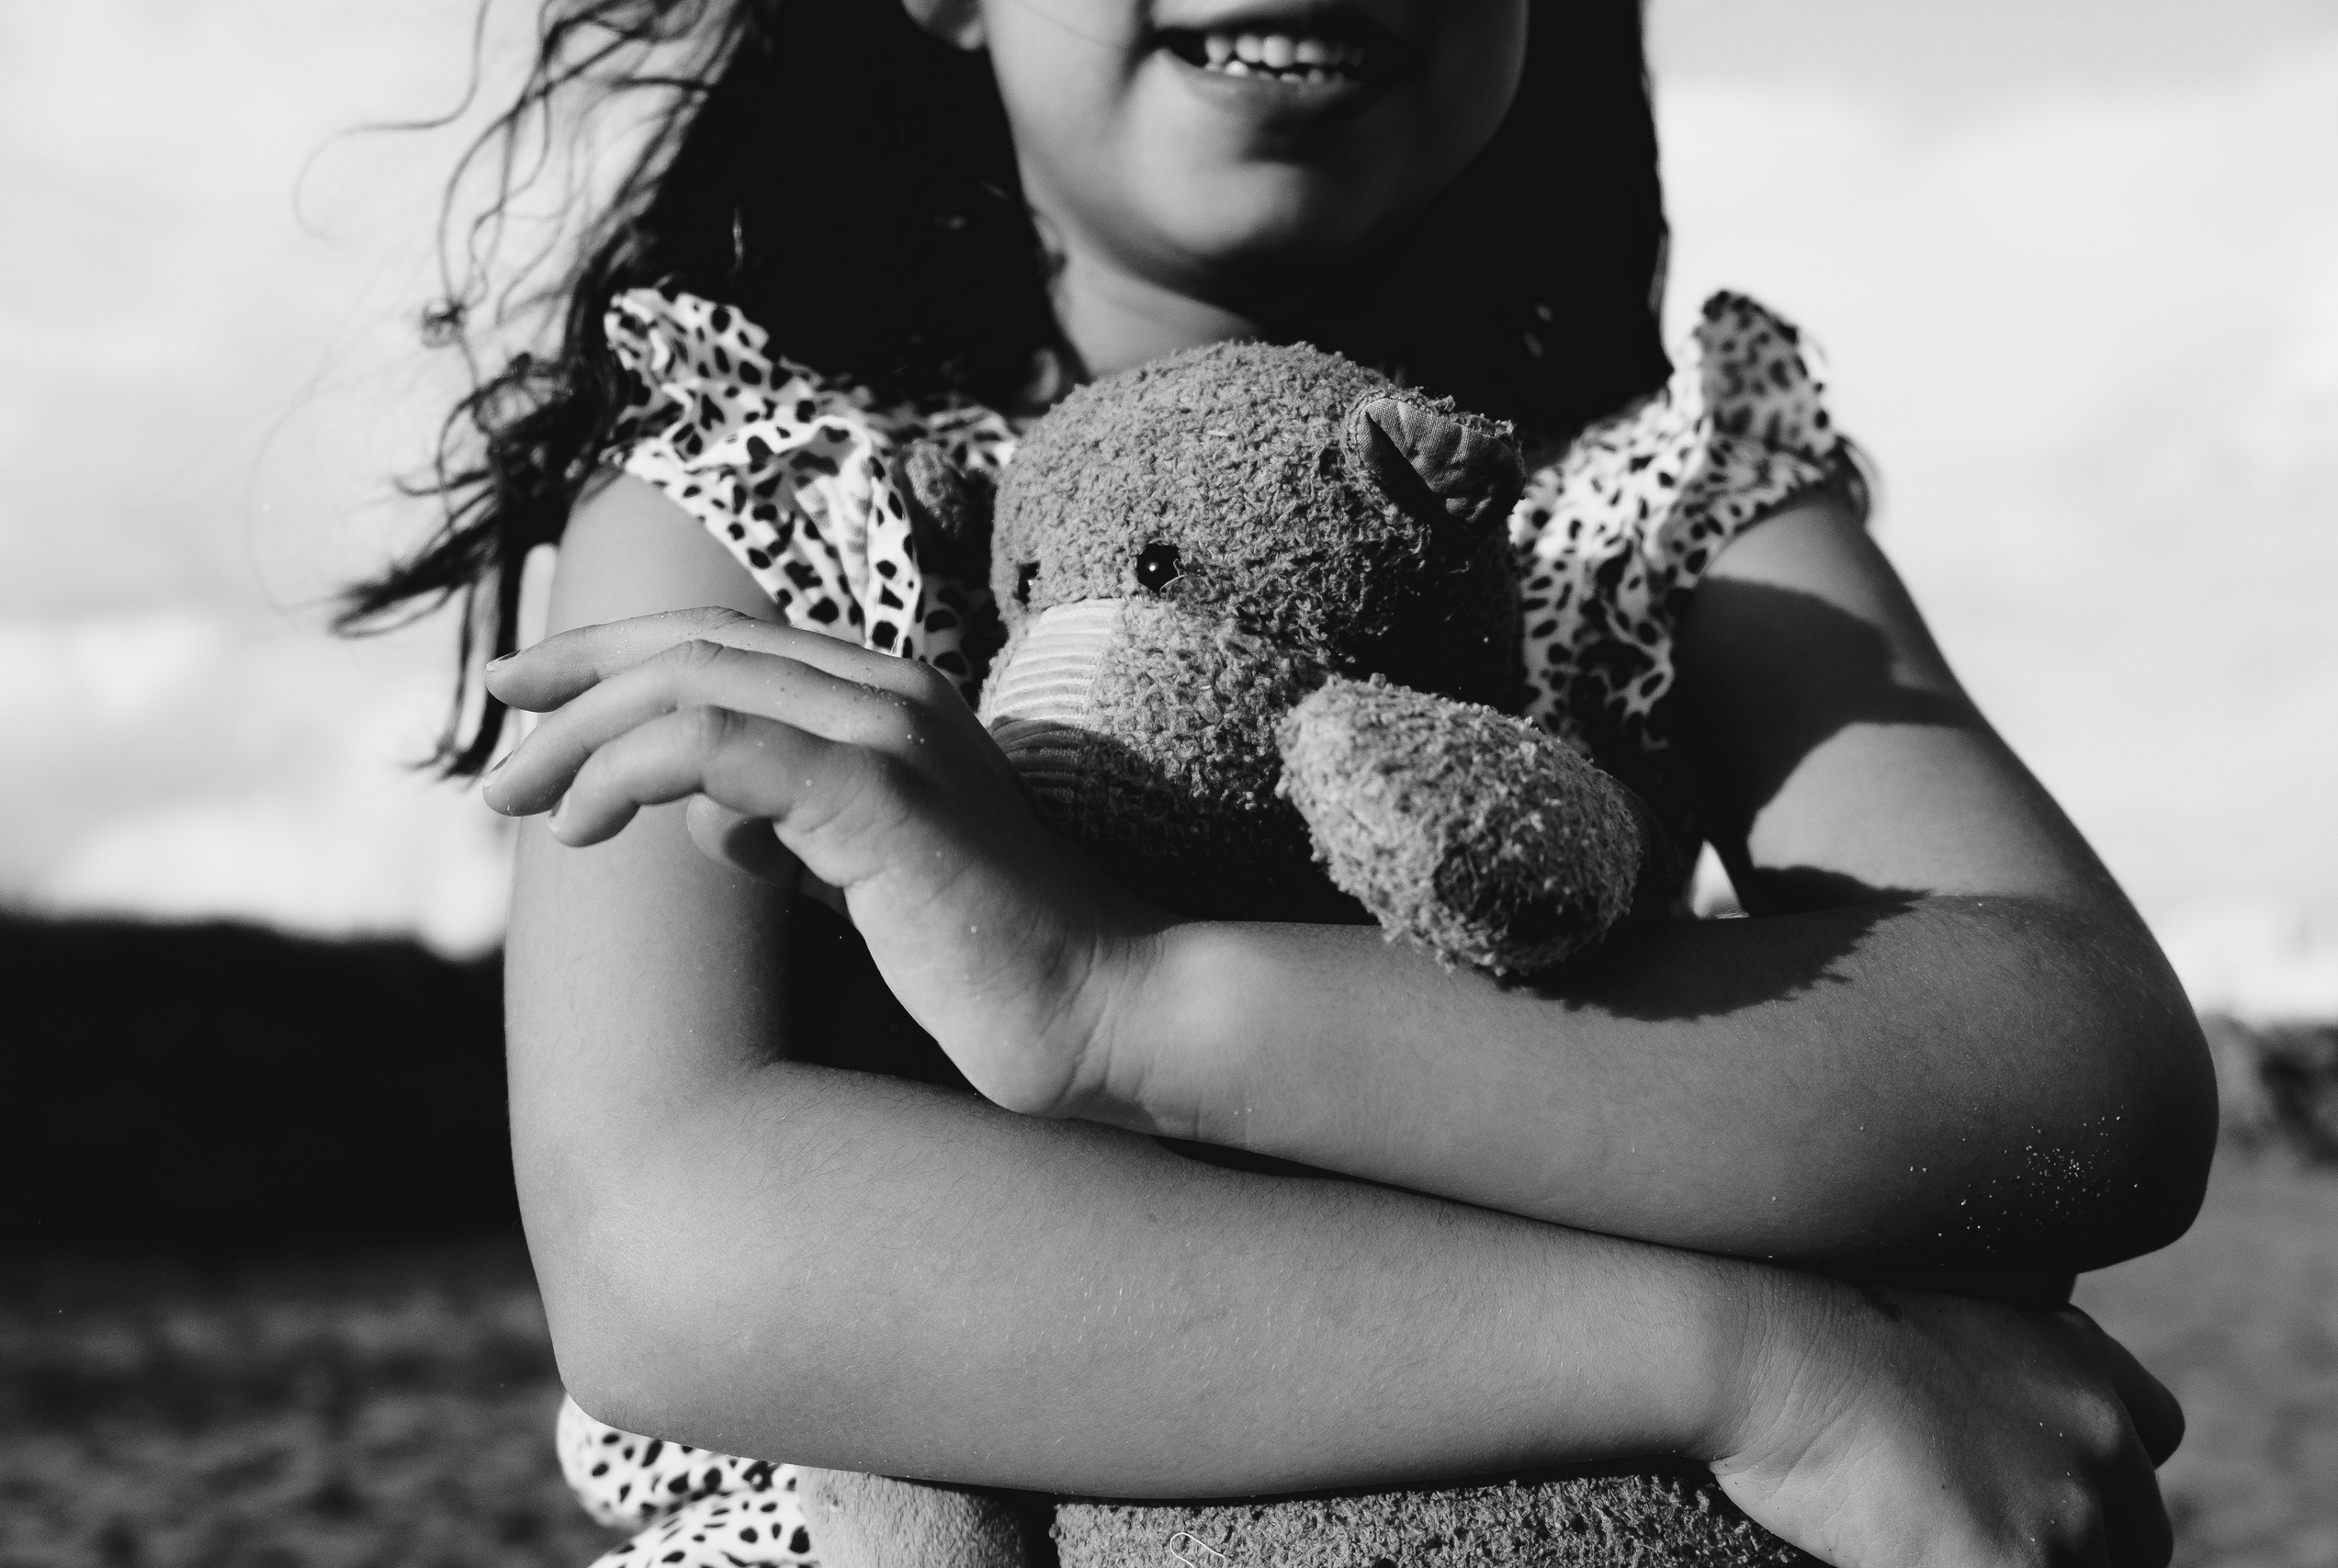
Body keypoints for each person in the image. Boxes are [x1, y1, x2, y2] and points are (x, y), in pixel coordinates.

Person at [349, 2, 2219, 1563]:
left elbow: (2081, 1065)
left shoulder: (1646, 514)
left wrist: (1137, 1007)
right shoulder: (776, 501)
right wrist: (1747, 1359)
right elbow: (667, 1243)